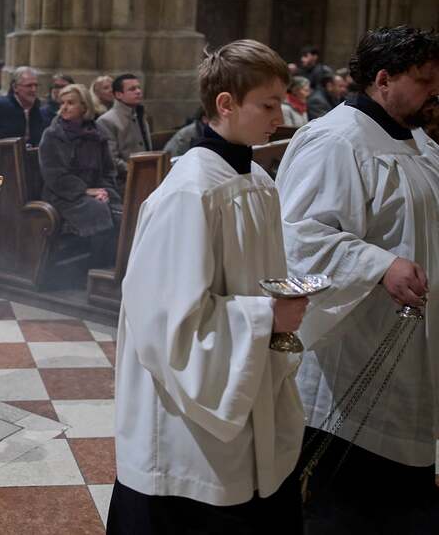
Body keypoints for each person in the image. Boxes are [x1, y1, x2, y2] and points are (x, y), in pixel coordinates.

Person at [108, 39, 308, 534]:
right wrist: (266, 317)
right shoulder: (189, 192)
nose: (279, 117)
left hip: (245, 383)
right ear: (226, 104)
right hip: (187, 426)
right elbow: (165, 324)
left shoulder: (256, 179)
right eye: (267, 105)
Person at [276, 26, 439, 533]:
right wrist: (378, 265)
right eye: (425, 79)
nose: (435, 90)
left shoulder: (414, 138)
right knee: (346, 509)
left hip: (409, 345)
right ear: (383, 80)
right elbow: (298, 236)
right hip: (353, 356)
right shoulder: (335, 140)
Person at [38, 83, 122, 266]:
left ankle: (115, 267)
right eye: (62, 103)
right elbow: (54, 175)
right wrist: (85, 191)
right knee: (97, 210)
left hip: (94, 190)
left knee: (119, 209)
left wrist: (105, 190)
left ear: (84, 106)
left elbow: (108, 170)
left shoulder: (96, 133)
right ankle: (95, 268)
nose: (64, 107)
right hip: (63, 194)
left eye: (71, 103)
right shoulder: (53, 134)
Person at [96, 74, 152, 188]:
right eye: (132, 89)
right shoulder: (107, 120)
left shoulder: (139, 114)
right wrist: (137, 171)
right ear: (118, 94)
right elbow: (112, 159)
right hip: (123, 182)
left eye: (139, 88)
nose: (138, 91)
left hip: (146, 177)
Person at [0, 66, 46, 148]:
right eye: (29, 85)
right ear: (15, 87)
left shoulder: (37, 110)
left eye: (36, 85)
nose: (34, 89)